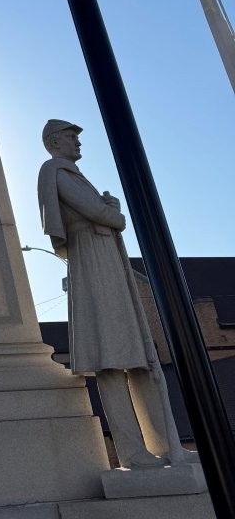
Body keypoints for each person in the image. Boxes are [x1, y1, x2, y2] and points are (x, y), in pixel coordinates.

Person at [37, 119, 187, 469]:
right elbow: (99, 215)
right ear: (54, 141)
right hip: (92, 263)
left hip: (107, 262)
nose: (78, 143)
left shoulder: (73, 174)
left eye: (77, 137)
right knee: (109, 357)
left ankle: (167, 447)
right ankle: (134, 453)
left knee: (138, 356)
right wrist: (113, 212)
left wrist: (109, 210)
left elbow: (103, 214)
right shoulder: (56, 171)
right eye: (72, 137)